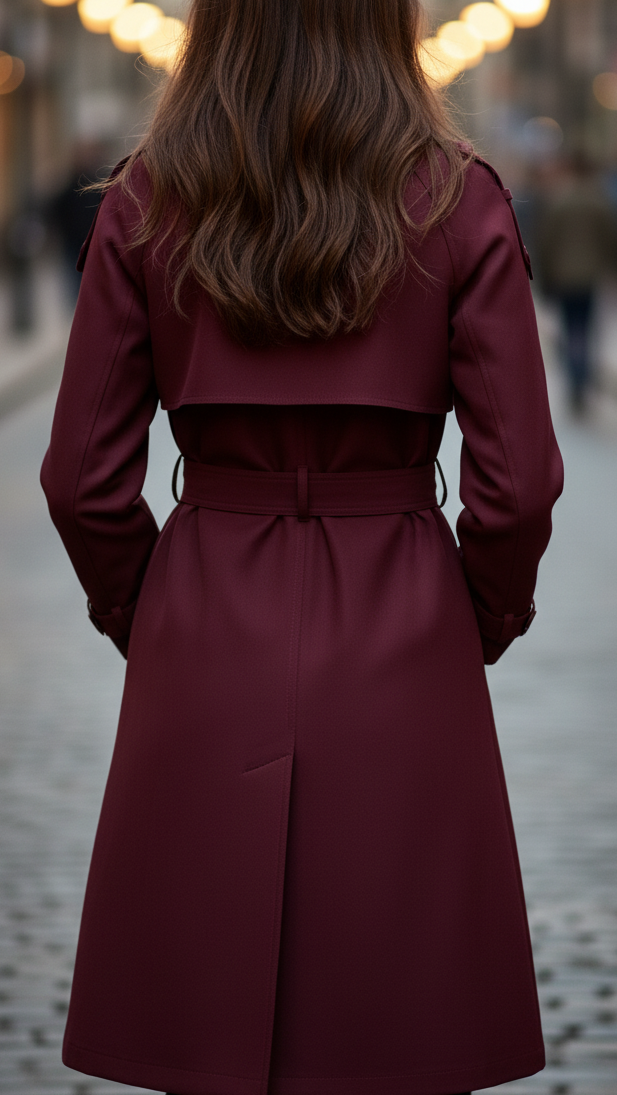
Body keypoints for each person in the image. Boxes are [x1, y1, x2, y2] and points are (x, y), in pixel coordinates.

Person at [40, 1, 563, 1094]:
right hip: (403, 606)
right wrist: (476, 618)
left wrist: (155, 617)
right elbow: (514, 490)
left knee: (205, 1033)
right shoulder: (456, 195)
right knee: (404, 1018)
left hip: (208, 599)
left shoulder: (146, 196)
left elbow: (81, 482)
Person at [537, 155, 617, 414]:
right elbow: (610, 240)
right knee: (585, 328)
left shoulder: (561, 202)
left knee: (570, 329)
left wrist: (545, 277)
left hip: (564, 278)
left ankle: (576, 380)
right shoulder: (599, 202)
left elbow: (547, 243)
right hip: (589, 277)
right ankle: (581, 379)